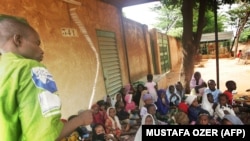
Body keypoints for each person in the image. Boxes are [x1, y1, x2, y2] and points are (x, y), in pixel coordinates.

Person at [0, 15, 93, 141]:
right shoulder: (30, 68)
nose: (41, 50)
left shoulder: (4, 69)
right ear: (18, 40)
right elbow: (45, 137)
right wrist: (80, 119)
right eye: (37, 43)